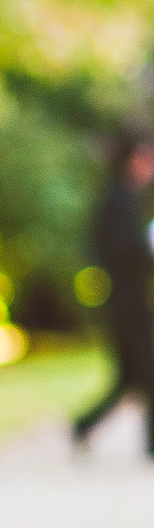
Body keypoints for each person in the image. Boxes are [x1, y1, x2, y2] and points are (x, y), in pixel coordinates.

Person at [72, 135, 154, 454]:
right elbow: (117, 252)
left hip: (130, 298)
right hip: (124, 300)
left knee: (131, 374)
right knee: (144, 370)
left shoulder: (127, 198)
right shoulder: (115, 199)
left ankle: (84, 425)